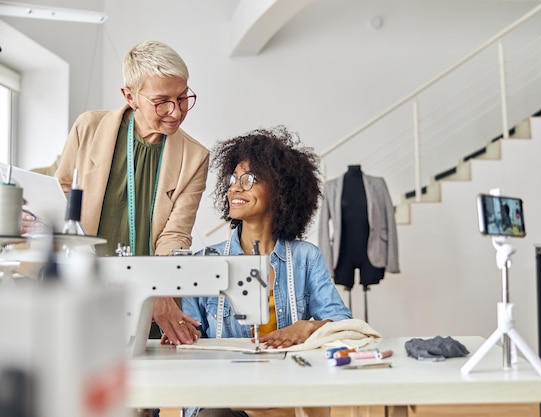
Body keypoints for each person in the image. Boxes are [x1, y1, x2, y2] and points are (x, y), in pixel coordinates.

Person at [181, 126, 352, 417]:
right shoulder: (205, 262)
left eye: (249, 179)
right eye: (233, 179)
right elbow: (189, 346)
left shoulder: (305, 259)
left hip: (284, 393)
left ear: (280, 189)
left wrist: (307, 327)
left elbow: (344, 326)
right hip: (223, 396)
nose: (235, 187)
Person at [51, 40, 208, 345]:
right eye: (161, 101)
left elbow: (175, 235)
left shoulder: (194, 157)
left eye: (183, 97)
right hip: (86, 290)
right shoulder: (88, 128)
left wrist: (154, 291)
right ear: (130, 95)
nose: (175, 112)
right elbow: (62, 198)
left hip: (151, 305)